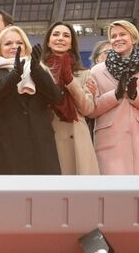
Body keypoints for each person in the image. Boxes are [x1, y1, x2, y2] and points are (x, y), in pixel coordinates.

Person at [0, 25, 62, 175]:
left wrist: (36, 70)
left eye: (19, 43)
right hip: (6, 150)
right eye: (8, 43)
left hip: (41, 147)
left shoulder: (39, 69)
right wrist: (14, 75)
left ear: (26, 46)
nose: (14, 46)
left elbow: (56, 97)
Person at [87, 19, 139, 175]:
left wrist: (135, 95)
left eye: (122, 34)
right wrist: (115, 95)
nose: (117, 39)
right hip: (109, 141)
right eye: (113, 36)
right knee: (113, 189)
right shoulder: (97, 71)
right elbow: (91, 110)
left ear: (134, 38)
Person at [41, 22, 98, 175]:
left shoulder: (84, 73)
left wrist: (70, 80)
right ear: (48, 42)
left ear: (71, 44)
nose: (60, 38)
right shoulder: (38, 70)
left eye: (66, 35)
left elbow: (87, 109)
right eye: (56, 34)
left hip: (77, 138)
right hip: (48, 136)